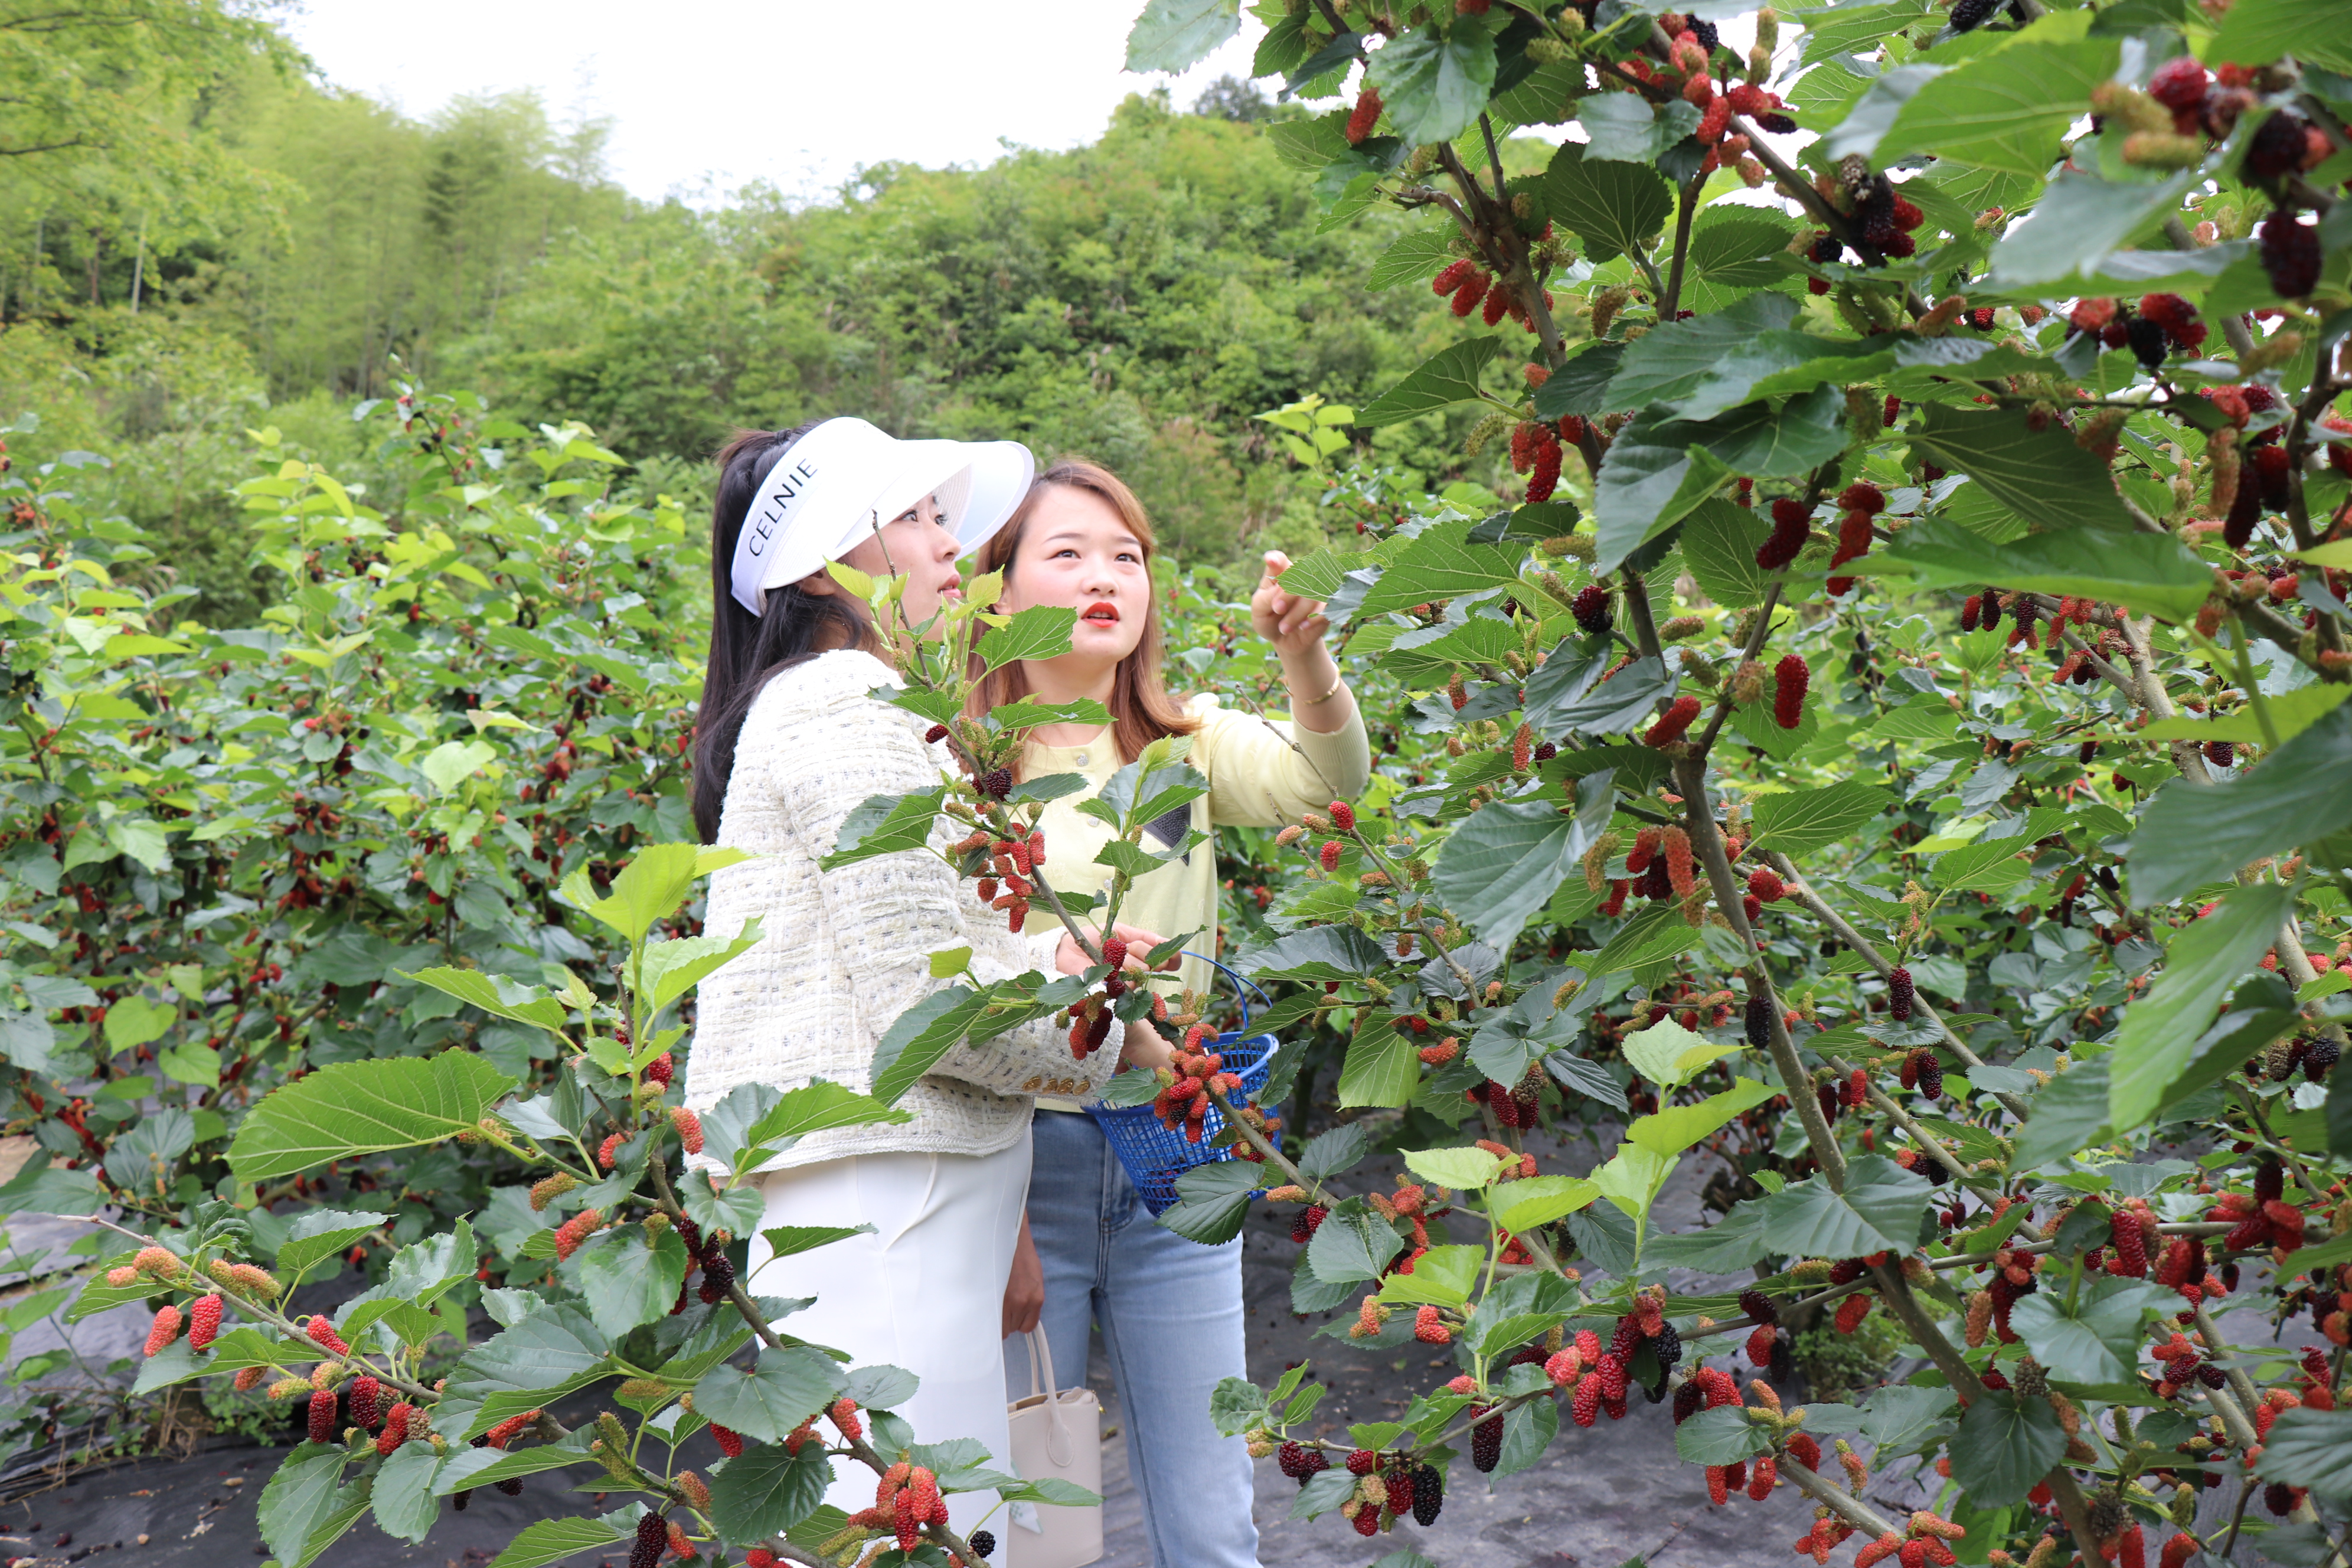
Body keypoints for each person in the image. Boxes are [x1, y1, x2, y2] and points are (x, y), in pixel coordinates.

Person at [681, 419, 1168, 1538]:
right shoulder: (844, 702)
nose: (953, 544)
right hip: (884, 1198)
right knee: (895, 1527)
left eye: (946, 516)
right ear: (825, 567)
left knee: (917, 1524)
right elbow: (923, 1009)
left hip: (909, 1193)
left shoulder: (876, 708)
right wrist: (1098, 1027)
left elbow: (928, 956)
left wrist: (1056, 963)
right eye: (914, 517)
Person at [976, 460, 1371, 1568]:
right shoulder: (961, 771)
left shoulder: (1181, 742)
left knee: (1212, 1521)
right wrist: (997, 1226)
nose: (1106, 577)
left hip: (1179, 1150)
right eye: (1066, 554)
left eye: (1128, 557)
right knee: (1031, 1521)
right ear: (995, 590)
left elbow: (1325, 785)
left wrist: (1303, 654)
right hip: (1018, 1162)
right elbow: (943, 993)